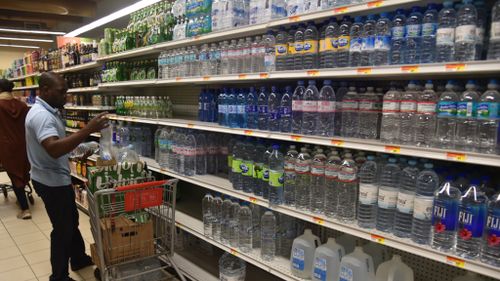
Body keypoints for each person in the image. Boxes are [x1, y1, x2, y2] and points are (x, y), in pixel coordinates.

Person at [25, 72, 108, 281]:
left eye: (66, 92)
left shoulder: (48, 111)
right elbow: (53, 148)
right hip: (51, 181)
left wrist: (79, 149)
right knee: (62, 229)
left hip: (51, 177)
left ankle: (78, 258)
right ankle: (59, 276)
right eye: (61, 92)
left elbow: (57, 145)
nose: (66, 96)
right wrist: (88, 129)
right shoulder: (42, 116)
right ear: (44, 90)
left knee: (71, 220)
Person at [0, 79, 32, 219]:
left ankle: (25, 209)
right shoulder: (22, 105)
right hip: (23, 144)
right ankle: (22, 200)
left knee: (14, 176)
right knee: (23, 171)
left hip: (6, 146)